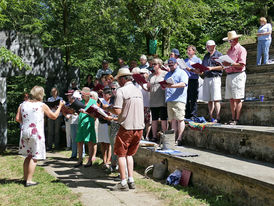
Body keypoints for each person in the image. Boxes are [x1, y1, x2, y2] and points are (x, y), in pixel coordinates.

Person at [16, 86, 64, 187]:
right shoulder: (42, 105)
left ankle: (25, 178)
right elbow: (54, 116)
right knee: (34, 157)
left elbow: (17, 118)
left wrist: (26, 123)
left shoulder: (23, 104)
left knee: (27, 156)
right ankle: (29, 181)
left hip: (25, 131)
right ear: (40, 94)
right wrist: (60, 106)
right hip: (36, 132)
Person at [105, 68, 144, 191]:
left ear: (122, 79)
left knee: (121, 154)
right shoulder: (138, 91)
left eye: (118, 79)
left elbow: (117, 111)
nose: (118, 82)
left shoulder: (121, 91)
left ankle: (123, 182)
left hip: (127, 127)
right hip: (139, 128)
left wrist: (107, 108)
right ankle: (131, 180)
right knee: (129, 155)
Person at [222, 31, 247, 125]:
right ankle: (232, 118)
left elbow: (242, 64)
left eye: (231, 40)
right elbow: (228, 63)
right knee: (231, 99)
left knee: (238, 98)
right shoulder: (229, 51)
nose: (230, 42)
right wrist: (224, 64)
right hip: (230, 75)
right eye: (229, 41)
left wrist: (230, 64)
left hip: (238, 74)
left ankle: (237, 119)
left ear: (236, 39)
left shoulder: (241, 49)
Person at [163, 58, 188, 146]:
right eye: (169, 65)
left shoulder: (182, 72)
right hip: (169, 99)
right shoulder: (167, 74)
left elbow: (184, 84)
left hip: (179, 99)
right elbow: (166, 85)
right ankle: (173, 139)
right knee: (172, 120)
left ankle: (179, 139)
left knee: (180, 119)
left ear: (176, 64)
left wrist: (172, 86)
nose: (171, 66)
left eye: (172, 65)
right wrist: (164, 85)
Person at [146, 58, 168, 142]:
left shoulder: (165, 74)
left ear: (159, 64)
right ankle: (154, 136)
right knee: (154, 119)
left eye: (154, 64)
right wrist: (142, 85)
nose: (153, 65)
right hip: (153, 100)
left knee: (163, 118)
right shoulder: (151, 75)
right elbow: (148, 89)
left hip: (162, 99)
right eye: (152, 64)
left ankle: (165, 136)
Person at [74, 87, 97, 167]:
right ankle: (80, 160)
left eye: (83, 94)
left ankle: (89, 161)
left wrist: (86, 112)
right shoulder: (81, 102)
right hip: (81, 124)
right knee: (79, 141)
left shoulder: (93, 102)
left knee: (90, 142)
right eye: (81, 94)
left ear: (88, 95)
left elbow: (95, 115)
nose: (82, 96)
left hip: (89, 124)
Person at [201, 40, 223, 123]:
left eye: (210, 46)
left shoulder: (219, 55)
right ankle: (210, 116)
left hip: (215, 77)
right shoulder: (206, 56)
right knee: (209, 99)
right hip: (207, 77)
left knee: (216, 98)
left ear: (214, 46)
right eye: (207, 46)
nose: (208, 47)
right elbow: (203, 67)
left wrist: (212, 68)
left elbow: (222, 66)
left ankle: (218, 117)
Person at [184, 45, 202, 119]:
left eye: (189, 50)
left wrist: (191, 70)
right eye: (187, 50)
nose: (188, 52)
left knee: (193, 98)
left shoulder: (198, 60)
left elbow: (201, 71)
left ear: (194, 51)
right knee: (186, 98)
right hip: (185, 80)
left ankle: (193, 114)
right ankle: (187, 114)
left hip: (193, 80)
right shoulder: (185, 60)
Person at [97, 88, 112, 169]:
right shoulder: (100, 101)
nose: (103, 95)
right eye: (102, 94)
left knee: (108, 143)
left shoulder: (113, 102)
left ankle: (108, 161)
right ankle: (104, 160)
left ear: (109, 95)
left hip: (108, 124)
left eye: (104, 94)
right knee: (102, 143)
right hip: (101, 123)